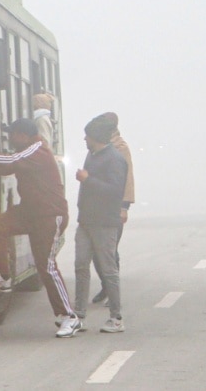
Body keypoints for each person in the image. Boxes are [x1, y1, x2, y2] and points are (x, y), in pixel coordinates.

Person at [0, 117, 77, 337]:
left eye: (12, 135)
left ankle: (68, 317)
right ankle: (4, 276)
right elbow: (5, 169)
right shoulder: (29, 150)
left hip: (49, 215)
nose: (10, 138)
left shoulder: (37, 149)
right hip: (29, 212)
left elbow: (10, 162)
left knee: (46, 266)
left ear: (23, 135)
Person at [72, 116, 128, 334]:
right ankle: (79, 315)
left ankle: (116, 317)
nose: (84, 139)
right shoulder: (92, 155)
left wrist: (88, 180)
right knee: (80, 265)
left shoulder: (114, 159)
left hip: (105, 223)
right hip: (85, 221)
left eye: (87, 135)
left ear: (96, 137)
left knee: (108, 270)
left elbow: (115, 191)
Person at [91, 111, 134, 306]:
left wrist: (124, 207)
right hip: (96, 206)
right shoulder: (97, 145)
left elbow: (128, 179)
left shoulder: (121, 148)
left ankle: (112, 290)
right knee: (95, 250)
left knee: (110, 250)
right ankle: (106, 286)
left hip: (115, 206)